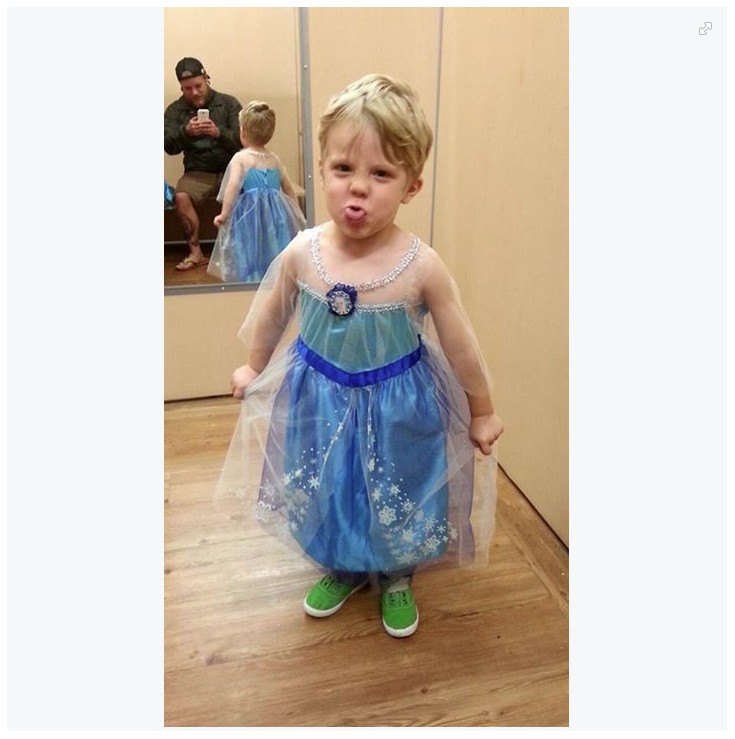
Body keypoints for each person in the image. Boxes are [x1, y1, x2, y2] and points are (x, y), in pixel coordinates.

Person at [222, 74, 504, 638]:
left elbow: (460, 342)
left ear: (411, 186)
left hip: (400, 406)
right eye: (343, 168)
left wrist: (483, 409)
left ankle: (396, 572)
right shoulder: (302, 251)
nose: (358, 188)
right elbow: (273, 313)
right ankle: (344, 563)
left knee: (398, 486)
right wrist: (255, 364)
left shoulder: (421, 266)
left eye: (381, 174)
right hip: (319, 398)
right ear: (320, 168)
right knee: (329, 483)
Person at [207, 101, 306, 283]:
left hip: (249, 214)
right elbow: (288, 188)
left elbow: (232, 186)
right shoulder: (275, 159)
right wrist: (296, 212)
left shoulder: (241, 158)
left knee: (250, 247)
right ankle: (276, 279)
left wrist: (225, 214)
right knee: (274, 244)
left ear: (242, 131)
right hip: (277, 214)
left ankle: (251, 280)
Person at [164, 57, 242, 271]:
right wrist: (186, 132)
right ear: (181, 88)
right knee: (181, 196)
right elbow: (168, 146)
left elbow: (243, 141)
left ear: (206, 78)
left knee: (253, 191)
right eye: (188, 88)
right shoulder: (174, 110)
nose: (195, 92)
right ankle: (195, 252)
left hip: (230, 169)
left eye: (198, 86)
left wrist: (218, 133)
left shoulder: (228, 103)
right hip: (198, 172)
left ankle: (240, 250)